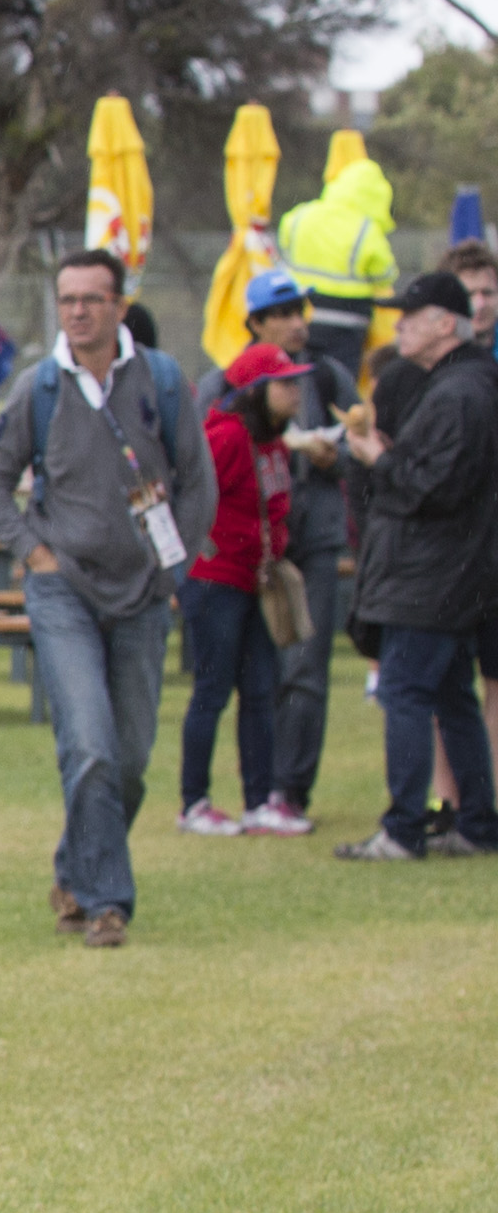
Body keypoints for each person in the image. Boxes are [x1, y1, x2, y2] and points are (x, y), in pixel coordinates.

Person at [0, 249, 214, 948]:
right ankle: (108, 904)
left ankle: (74, 871)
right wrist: (35, 554)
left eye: (90, 299)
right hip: (63, 592)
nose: (77, 311)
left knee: (128, 758)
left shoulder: (162, 381)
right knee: (90, 746)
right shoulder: (38, 388)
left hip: (142, 590)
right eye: (67, 299)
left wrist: (172, 570)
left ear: (119, 306)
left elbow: (198, 484)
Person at [333, 272, 498, 861]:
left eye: (410, 314)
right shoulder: (463, 384)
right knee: (452, 696)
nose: (397, 324)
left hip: (431, 573)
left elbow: (436, 488)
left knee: (403, 692)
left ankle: (402, 829)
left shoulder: (459, 394)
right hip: (454, 570)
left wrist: (377, 458)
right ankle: (477, 824)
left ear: (445, 323)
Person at [176, 345, 299, 837]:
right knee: (212, 690)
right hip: (216, 581)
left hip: (255, 580)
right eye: (285, 383)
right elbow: (192, 499)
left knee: (260, 689)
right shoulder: (226, 437)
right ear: (256, 391)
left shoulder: (274, 441)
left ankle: (259, 801)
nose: (295, 392)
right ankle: (194, 803)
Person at [253, 275, 354, 834]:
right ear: (256, 323)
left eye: (301, 312)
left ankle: (290, 789)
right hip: (253, 542)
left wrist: (334, 459)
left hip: (313, 540)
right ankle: (255, 787)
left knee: (306, 664)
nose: (297, 323)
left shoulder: (328, 376)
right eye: (283, 313)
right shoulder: (233, 379)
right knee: (259, 666)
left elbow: (363, 443)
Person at [276, 154, 399, 386]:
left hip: (301, 313)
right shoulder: (366, 229)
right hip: (348, 321)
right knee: (340, 384)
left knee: (300, 381)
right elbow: (385, 275)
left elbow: (283, 244)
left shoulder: (300, 215)